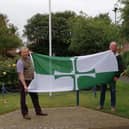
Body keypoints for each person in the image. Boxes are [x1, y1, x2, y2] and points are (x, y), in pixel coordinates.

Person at [16, 47, 48, 120]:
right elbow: (20, 75)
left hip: (32, 81)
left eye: (26, 52)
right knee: (23, 98)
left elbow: (31, 53)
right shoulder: (20, 62)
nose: (25, 54)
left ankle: (38, 111)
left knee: (35, 97)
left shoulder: (30, 58)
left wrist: (32, 53)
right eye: (24, 52)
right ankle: (25, 114)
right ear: (21, 54)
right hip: (24, 81)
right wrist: (25, 86)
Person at [97, 41, 124, 112]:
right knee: (102, 90)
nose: (112, 48)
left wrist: (117, 76)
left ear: (116, 48)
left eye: (113, 46)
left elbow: (121, 68)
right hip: (105, 76)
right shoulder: (106, 55)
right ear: (109, 47)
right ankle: (101, 105)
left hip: (113, 77)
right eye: (111, 46)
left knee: (113, 91)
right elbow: (102, 64)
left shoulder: (118, 56)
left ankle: (113, 106)